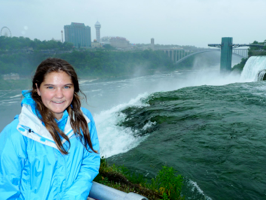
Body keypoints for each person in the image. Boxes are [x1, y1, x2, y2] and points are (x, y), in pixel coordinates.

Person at [0, 58, 100, 199]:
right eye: (50, 87)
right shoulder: (17, 133)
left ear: (74, 89)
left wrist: (73, 195)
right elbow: (5, 191)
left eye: (66, 87)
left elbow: (90, 161)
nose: (59, 95)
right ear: (38, 89)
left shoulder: (84, 119)